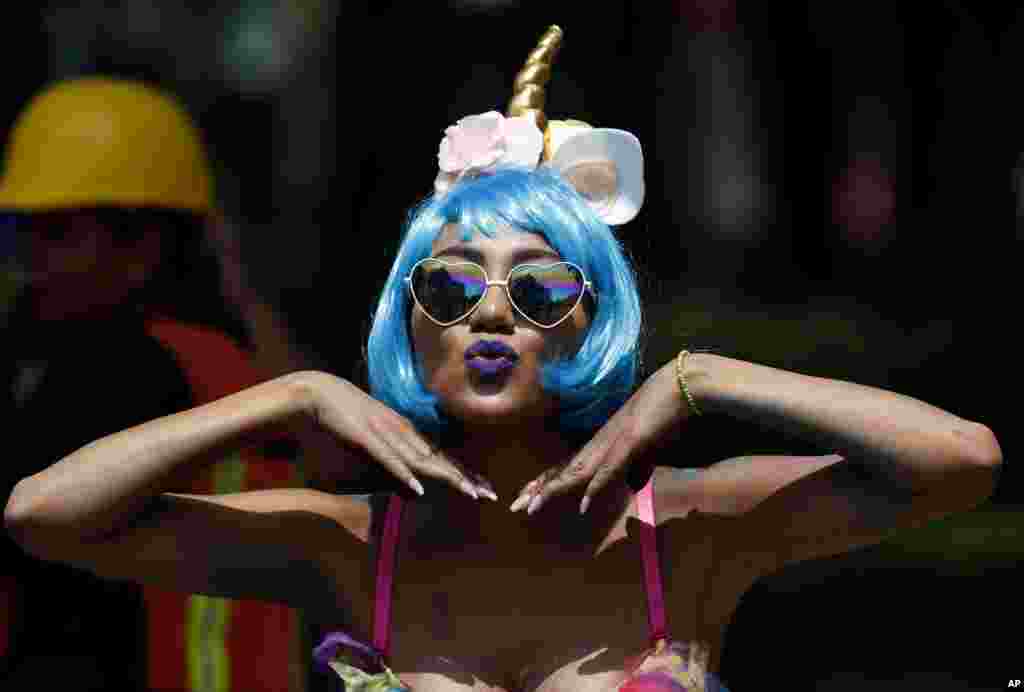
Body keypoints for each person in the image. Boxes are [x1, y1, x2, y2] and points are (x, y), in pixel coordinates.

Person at [4, 28, 1002, 692]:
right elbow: (42, 515)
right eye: (448, 286)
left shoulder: (690, 526)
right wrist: (297, 393)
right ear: (413, 322)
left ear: (588, 323)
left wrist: (700, 376)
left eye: (538, 290)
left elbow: (959, 458)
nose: (489, 311)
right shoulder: (350, 544)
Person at [0, 76, 306, 691]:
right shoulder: (224, 358)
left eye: (57, 235)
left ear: (142, 244)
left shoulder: (124, 366)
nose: (30, 261)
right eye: (22, 233)